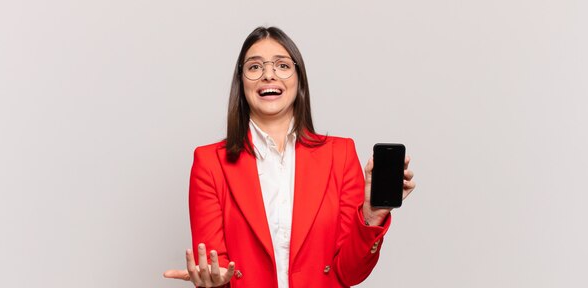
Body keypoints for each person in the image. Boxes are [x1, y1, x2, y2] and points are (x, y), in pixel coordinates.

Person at [163, 26, 416, 288]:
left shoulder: (339, 156)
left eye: (282, 66)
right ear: (241, 82)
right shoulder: (210, 163)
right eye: (254, 67)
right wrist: (213, 283)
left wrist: (371, 215)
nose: (268, 75)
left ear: (299, 79)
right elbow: (218, 267)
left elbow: (350, 273)